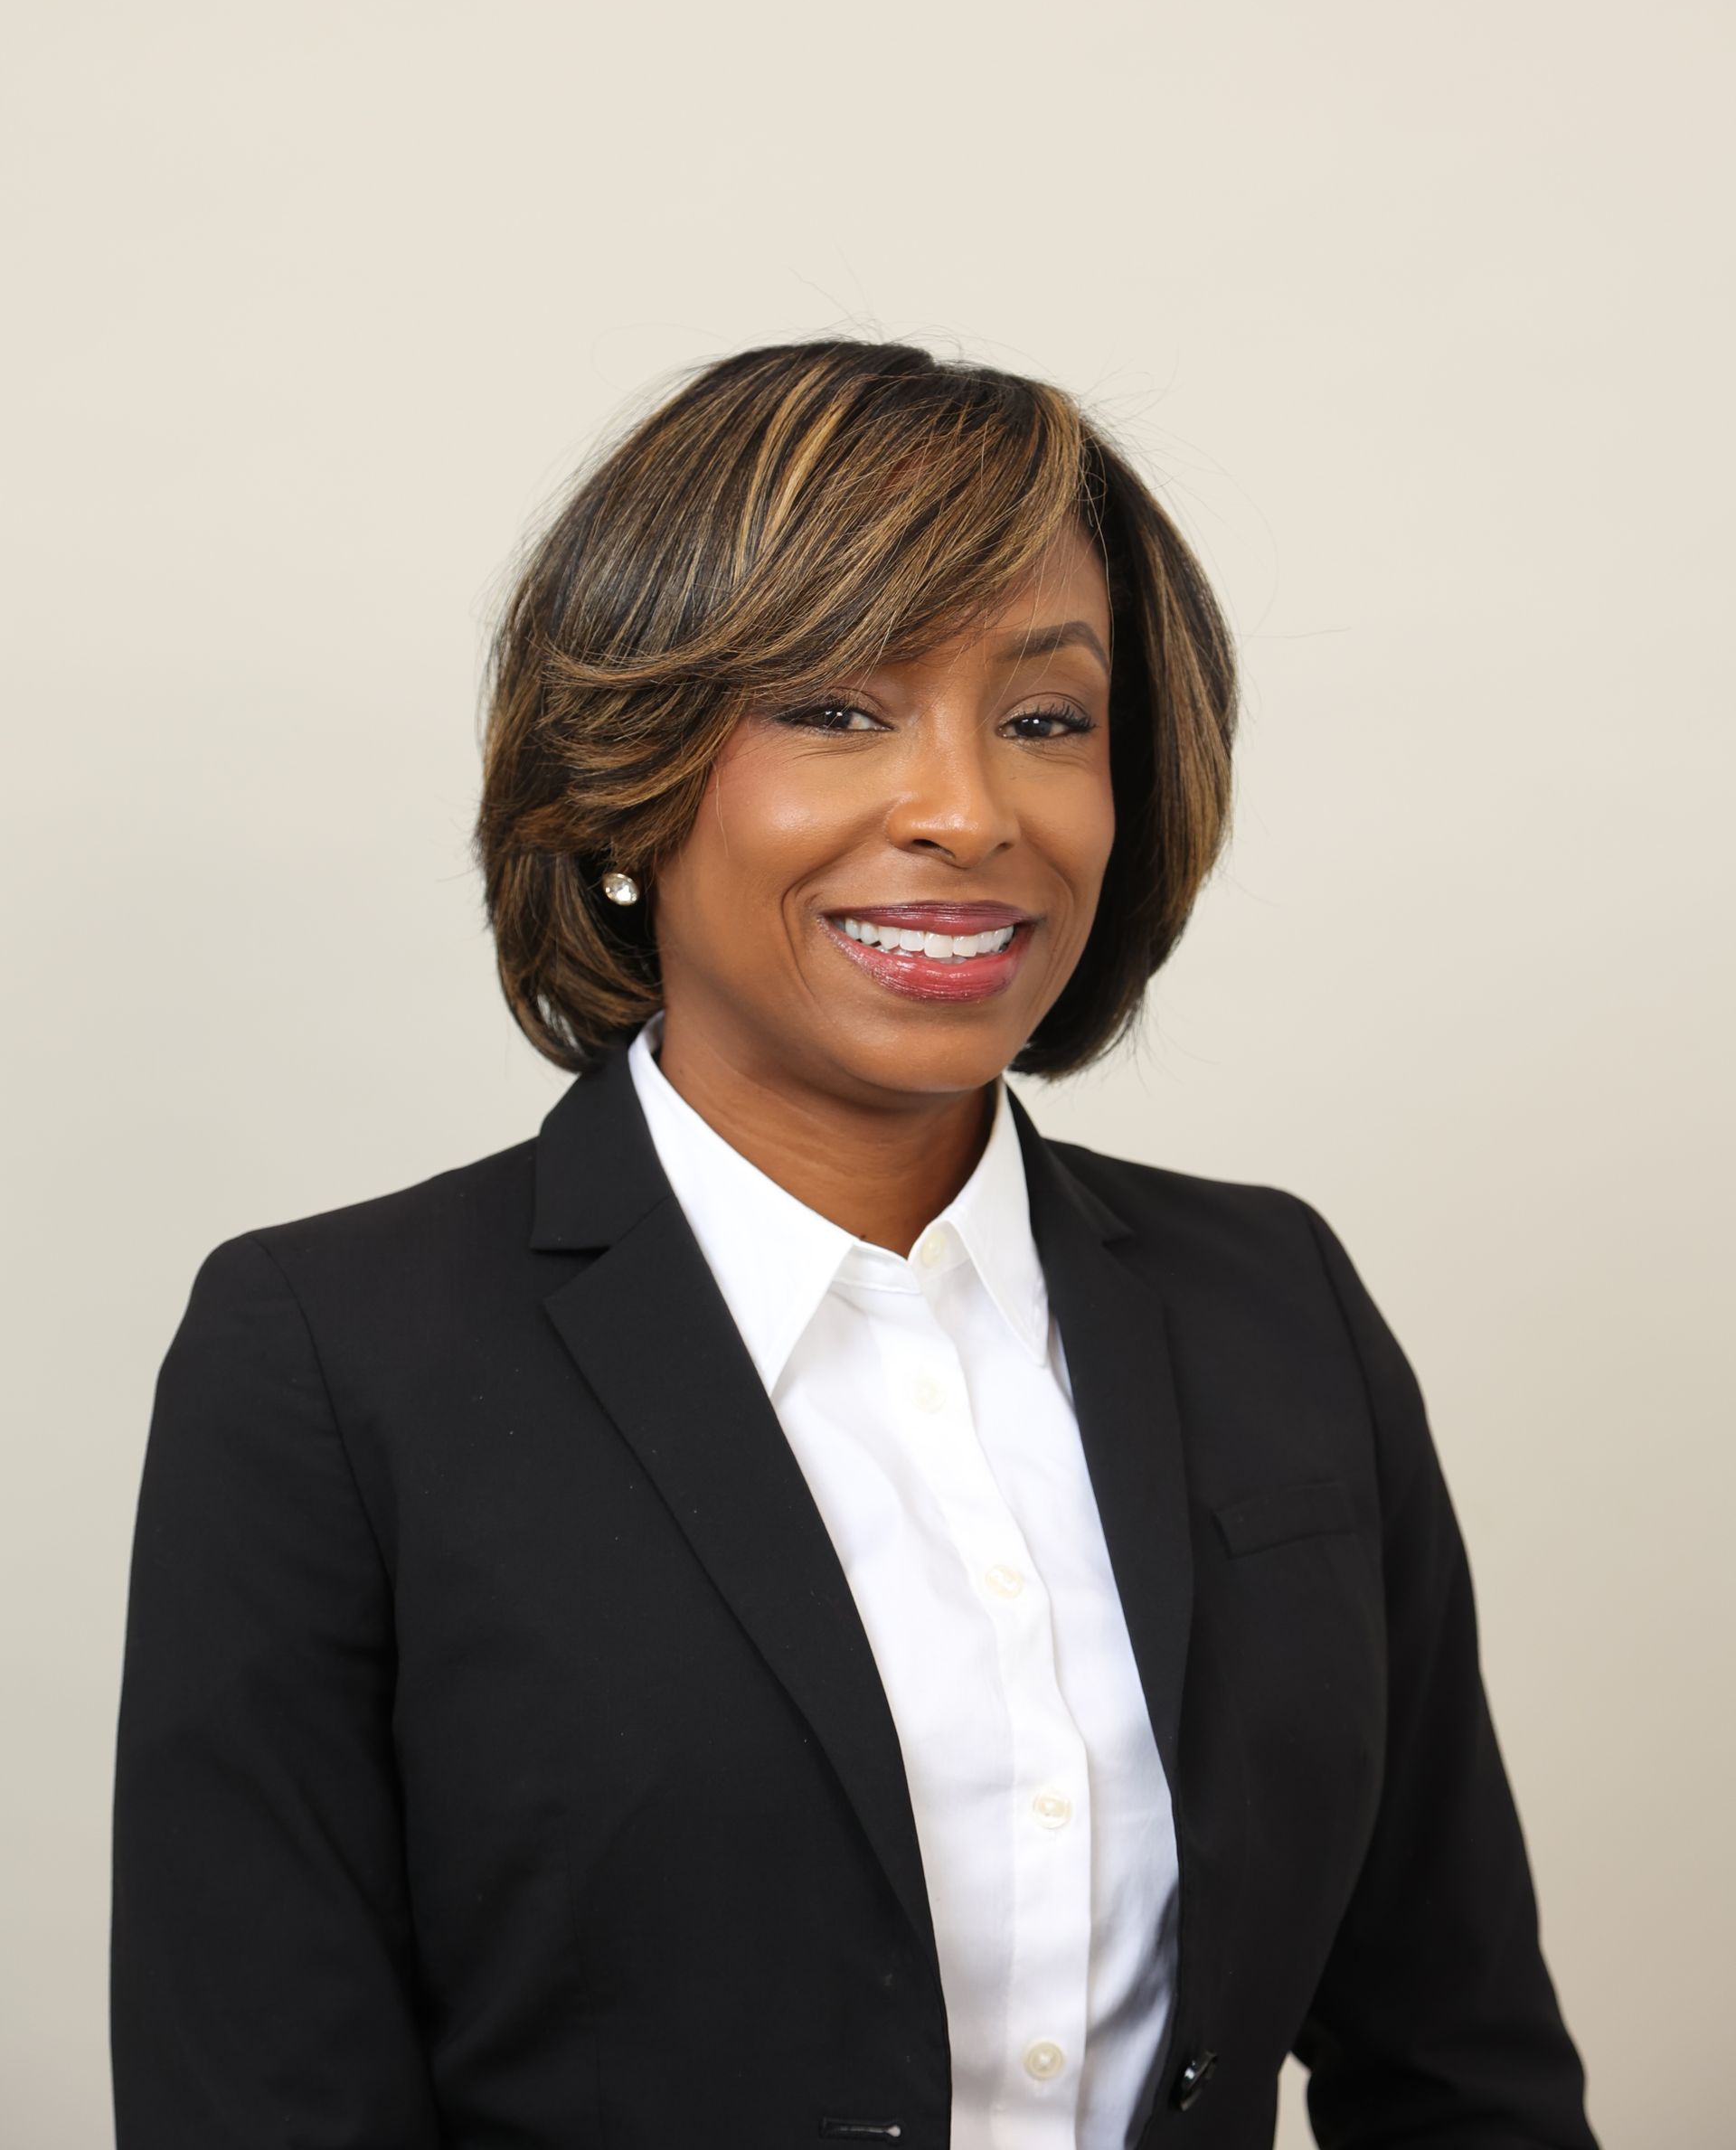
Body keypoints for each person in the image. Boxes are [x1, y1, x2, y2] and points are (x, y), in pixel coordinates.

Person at [110, 339, 1599, 2150]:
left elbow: (1463, 2070)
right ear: (628, 779)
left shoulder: (1276, 1303)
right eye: (836, 707)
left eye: (1045, 720)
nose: (970, 810)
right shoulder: (330, 1363)